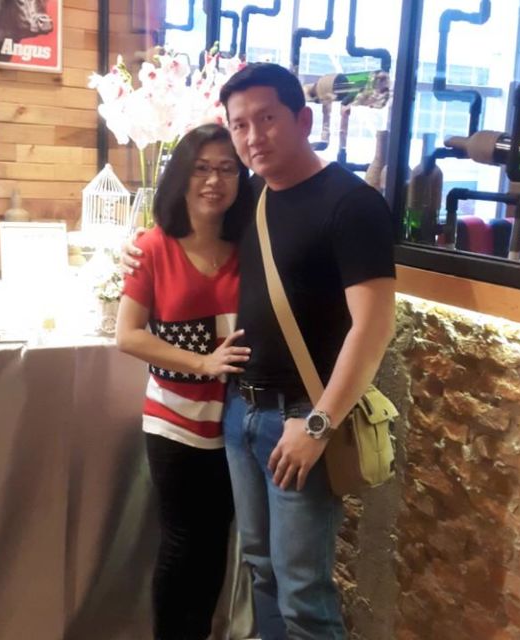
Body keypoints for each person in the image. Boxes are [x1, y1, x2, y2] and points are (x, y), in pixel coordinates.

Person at [124, 63, 396, 640]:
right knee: (262, 573)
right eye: (240, 124)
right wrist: (138, 248)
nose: (252, 137)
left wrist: (318, 424)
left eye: (267, 118)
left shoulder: (352, 204)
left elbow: (373, 328)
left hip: (301, 418)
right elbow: (189, 224)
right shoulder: (253, 199)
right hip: (240, 414)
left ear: (303, 119)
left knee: (303, 593)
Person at [115, 123, 254, 640]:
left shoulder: (250, 248)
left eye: (226, 169)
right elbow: (128, 335)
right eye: (201, 168)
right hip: (174, 422)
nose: (214, 180)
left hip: (235, 423)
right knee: (182, 542)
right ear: (182, 177)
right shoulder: (153, 247)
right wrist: (203, 364)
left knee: (216, 541)